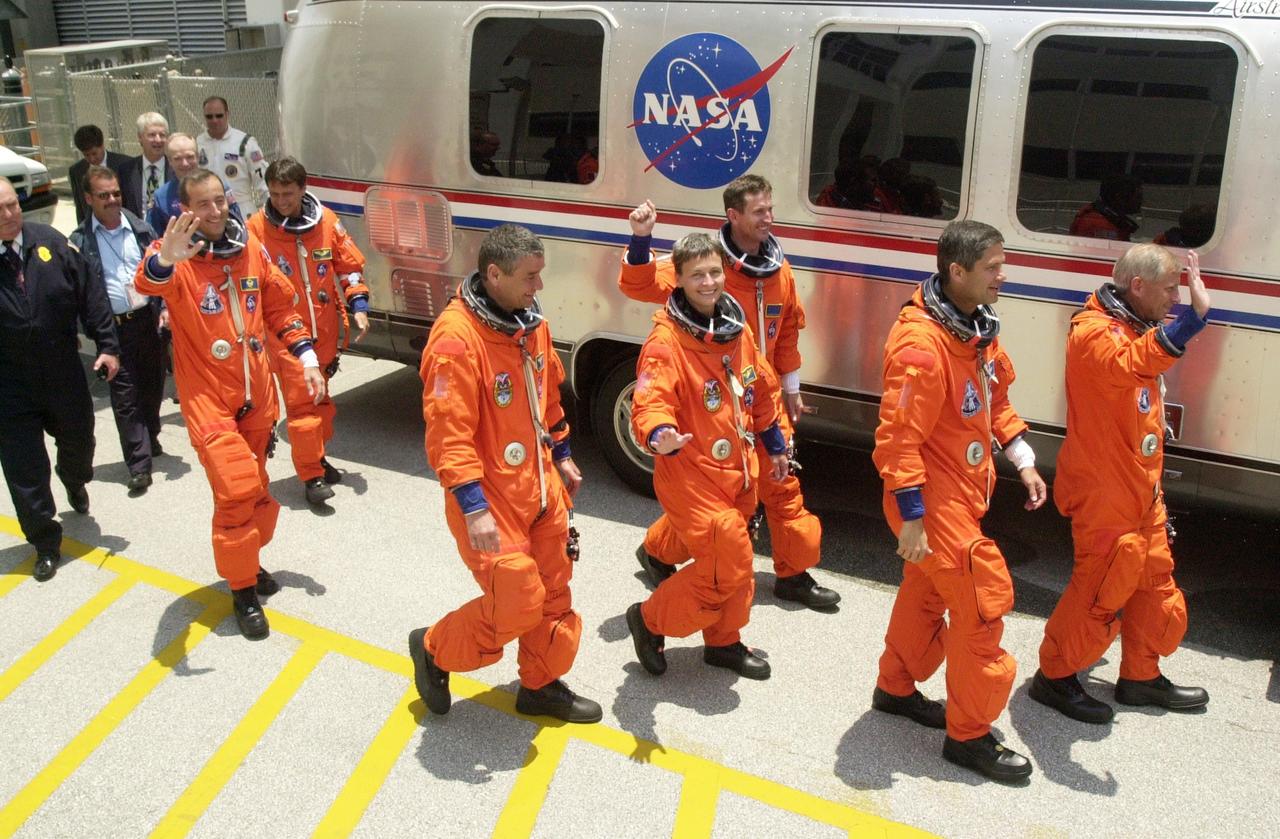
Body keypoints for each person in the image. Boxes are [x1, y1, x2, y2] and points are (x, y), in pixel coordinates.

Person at [871, 220, 1046, 783]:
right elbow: (898, 438)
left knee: (925, 593)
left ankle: (895, 688)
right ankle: (968, 738)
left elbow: (993, 400)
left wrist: (1022, 458)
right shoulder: (922, 347)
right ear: (957, 272)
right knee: (981, 605)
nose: (1003, 274)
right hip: (930, 500)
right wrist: (914, 517)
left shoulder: (974, 331)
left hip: (959, 495)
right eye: (993, 267)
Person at [409, 224, 601, 724]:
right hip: (491, 499)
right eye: (530, 277)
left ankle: (539, 686)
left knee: (555, 597)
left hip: (540, 489)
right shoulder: (457, 339)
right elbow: (448, 433)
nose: (539, 287)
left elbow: (548, 398)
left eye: (540, 276)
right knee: (517, 602)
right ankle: (434, 648)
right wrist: (473, 507)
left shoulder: (528, 324)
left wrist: (562, 455)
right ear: (493, 274)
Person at [621, 180, 837, 612]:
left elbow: (789, 328)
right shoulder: (708, 265)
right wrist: (641, 237)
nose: (768, 219)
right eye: (758, 212)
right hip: (718, 405)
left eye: (770, 210)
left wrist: (791, 388)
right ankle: (659, 552)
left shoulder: (780, 271)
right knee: (722, 500)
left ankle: (792, 574)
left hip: (763, 397)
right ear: (733, 215)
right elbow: (640, 284)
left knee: (782, 484)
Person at [134, 170, 325, 640]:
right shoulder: (177, 257)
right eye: (204, 204)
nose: (216, 211)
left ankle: (250, 562)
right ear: (186, 211)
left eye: (220, 200)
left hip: (256, 397)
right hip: (208, 401)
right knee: (236, 490)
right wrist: (164, 259)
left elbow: (281, 305)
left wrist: (305, 357)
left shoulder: (251, 251)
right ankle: (242, 592)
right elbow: (146, 283)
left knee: (258, 491)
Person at [1031, 244, 1211, 723]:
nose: (1175, 297)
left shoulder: (1135, 325)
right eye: (1170, 289)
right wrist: (1191, 321)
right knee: (1101, 584)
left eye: (1179, 289)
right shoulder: (1093, 332)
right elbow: (1128, 365)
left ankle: (1141, 676)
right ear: (1138, 286)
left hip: (1139, 485)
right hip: (1104, 487)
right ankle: (1054, 676)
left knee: (1154, 579)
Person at [624, 232, 790, 681]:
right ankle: (650, 619)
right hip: (690, 472)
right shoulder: (667, 342)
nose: (709, 281)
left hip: (737, 470)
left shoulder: (736, 332)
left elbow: (759, 391)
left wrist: (774, 446)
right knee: (729, 559)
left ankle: (724, 642)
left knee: (735, 554)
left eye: (715, 271)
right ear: (676, 279)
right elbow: (651, 398)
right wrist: (659, 434)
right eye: (697, 274)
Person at [0, 179, 120, 582]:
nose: (9, 215)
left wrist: (107, 344)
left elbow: (91, 294)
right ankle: (46, 542)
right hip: (9, 384)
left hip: (62, 370)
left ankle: (74, 478)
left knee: (80, 440)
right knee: (24, 470)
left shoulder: (49, 242)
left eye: (12, 205)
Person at [247, 157, 370, 505]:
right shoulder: (256, 229)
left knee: (322, 406)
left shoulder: (326, 222)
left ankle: (317, 456)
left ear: (303, 188)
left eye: (287, 193)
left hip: (326, 329)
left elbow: (348, 267)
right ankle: (311, 477)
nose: (281, 201)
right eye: (274, 193)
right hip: (286, 336)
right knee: (302, 410)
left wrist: (359, 306)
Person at [69, 165, 166, 494]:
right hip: (113, 330)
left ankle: (150, 432)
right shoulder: (80, 242)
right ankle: (138, 465)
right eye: (103, 195)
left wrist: (165, 310)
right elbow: (77, 291)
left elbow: (163, 274)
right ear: (87, 199)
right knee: (124, 398)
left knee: (152, 387)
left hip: (147, 321)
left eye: (116, 194)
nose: (112, 200)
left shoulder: (141, 230)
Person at [148, 133, 240, 234]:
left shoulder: (220, 187)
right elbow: (155, 237)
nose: (185, 163)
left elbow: (237, 224)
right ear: (169, 161)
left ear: (198, 156)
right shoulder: (161, 198)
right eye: (177, 158)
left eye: (189, 157)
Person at [197, 96, 269, 214]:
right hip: (211, 212)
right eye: (209, 116)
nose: (214, 120)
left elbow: (262, 181)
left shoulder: (245, 142)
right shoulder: (198, 144)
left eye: (219, 115)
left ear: (227, 114)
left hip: (242, 209)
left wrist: (269, 211)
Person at [68, 124, 130, 224]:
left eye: (94, 153)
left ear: (102, 145)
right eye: (86, 155)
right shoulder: (76, 171)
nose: (92, 159)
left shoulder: (125, 164)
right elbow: (80, 208)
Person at [116, 112, 173, 219]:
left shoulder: (176, 169)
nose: (158, 140)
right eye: (152, 135)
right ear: (140, 137)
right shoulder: (126, 170)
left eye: (162, 135)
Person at [1070, 174, 1143, 241]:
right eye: (1138, 197)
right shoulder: (1101, 227)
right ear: (1120, 197)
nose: (1141, 201)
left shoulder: (1100, 218)